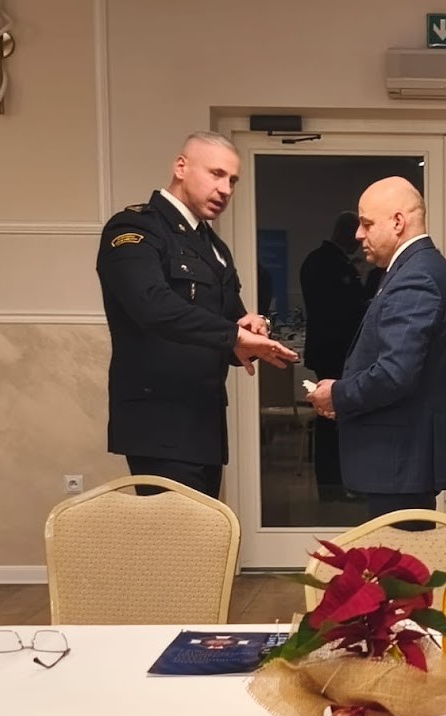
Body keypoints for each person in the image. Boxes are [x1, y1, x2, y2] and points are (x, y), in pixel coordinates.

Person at [96, 131, 297, 498]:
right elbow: (152, 305)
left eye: (232, 181)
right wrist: (234, 335)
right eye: (216, 174)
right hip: (159, 420)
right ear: (181, 167)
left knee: (203, 532)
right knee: (174, 533)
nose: (225, 189)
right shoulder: (135, 227)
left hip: (204, 420)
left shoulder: (213, 246)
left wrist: (250, 329)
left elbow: (227, 324)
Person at [306, 177, 446, 519]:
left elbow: (395, 374)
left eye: (367, 224)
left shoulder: (416, 276)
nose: (358, 235)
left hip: (401, 457)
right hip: (402, 455)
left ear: (398, 222)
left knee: (398, 552)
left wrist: (337, 395)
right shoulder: (414, 268)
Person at [300, 211, 372, 502]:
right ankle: (334, 483)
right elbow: (343, 309)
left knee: (333, 418)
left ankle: (335, 482)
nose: (359, 241)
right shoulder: (330, 263)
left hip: (327, 349)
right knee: (332, 418)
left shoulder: (318, 259)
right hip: (335, 351)